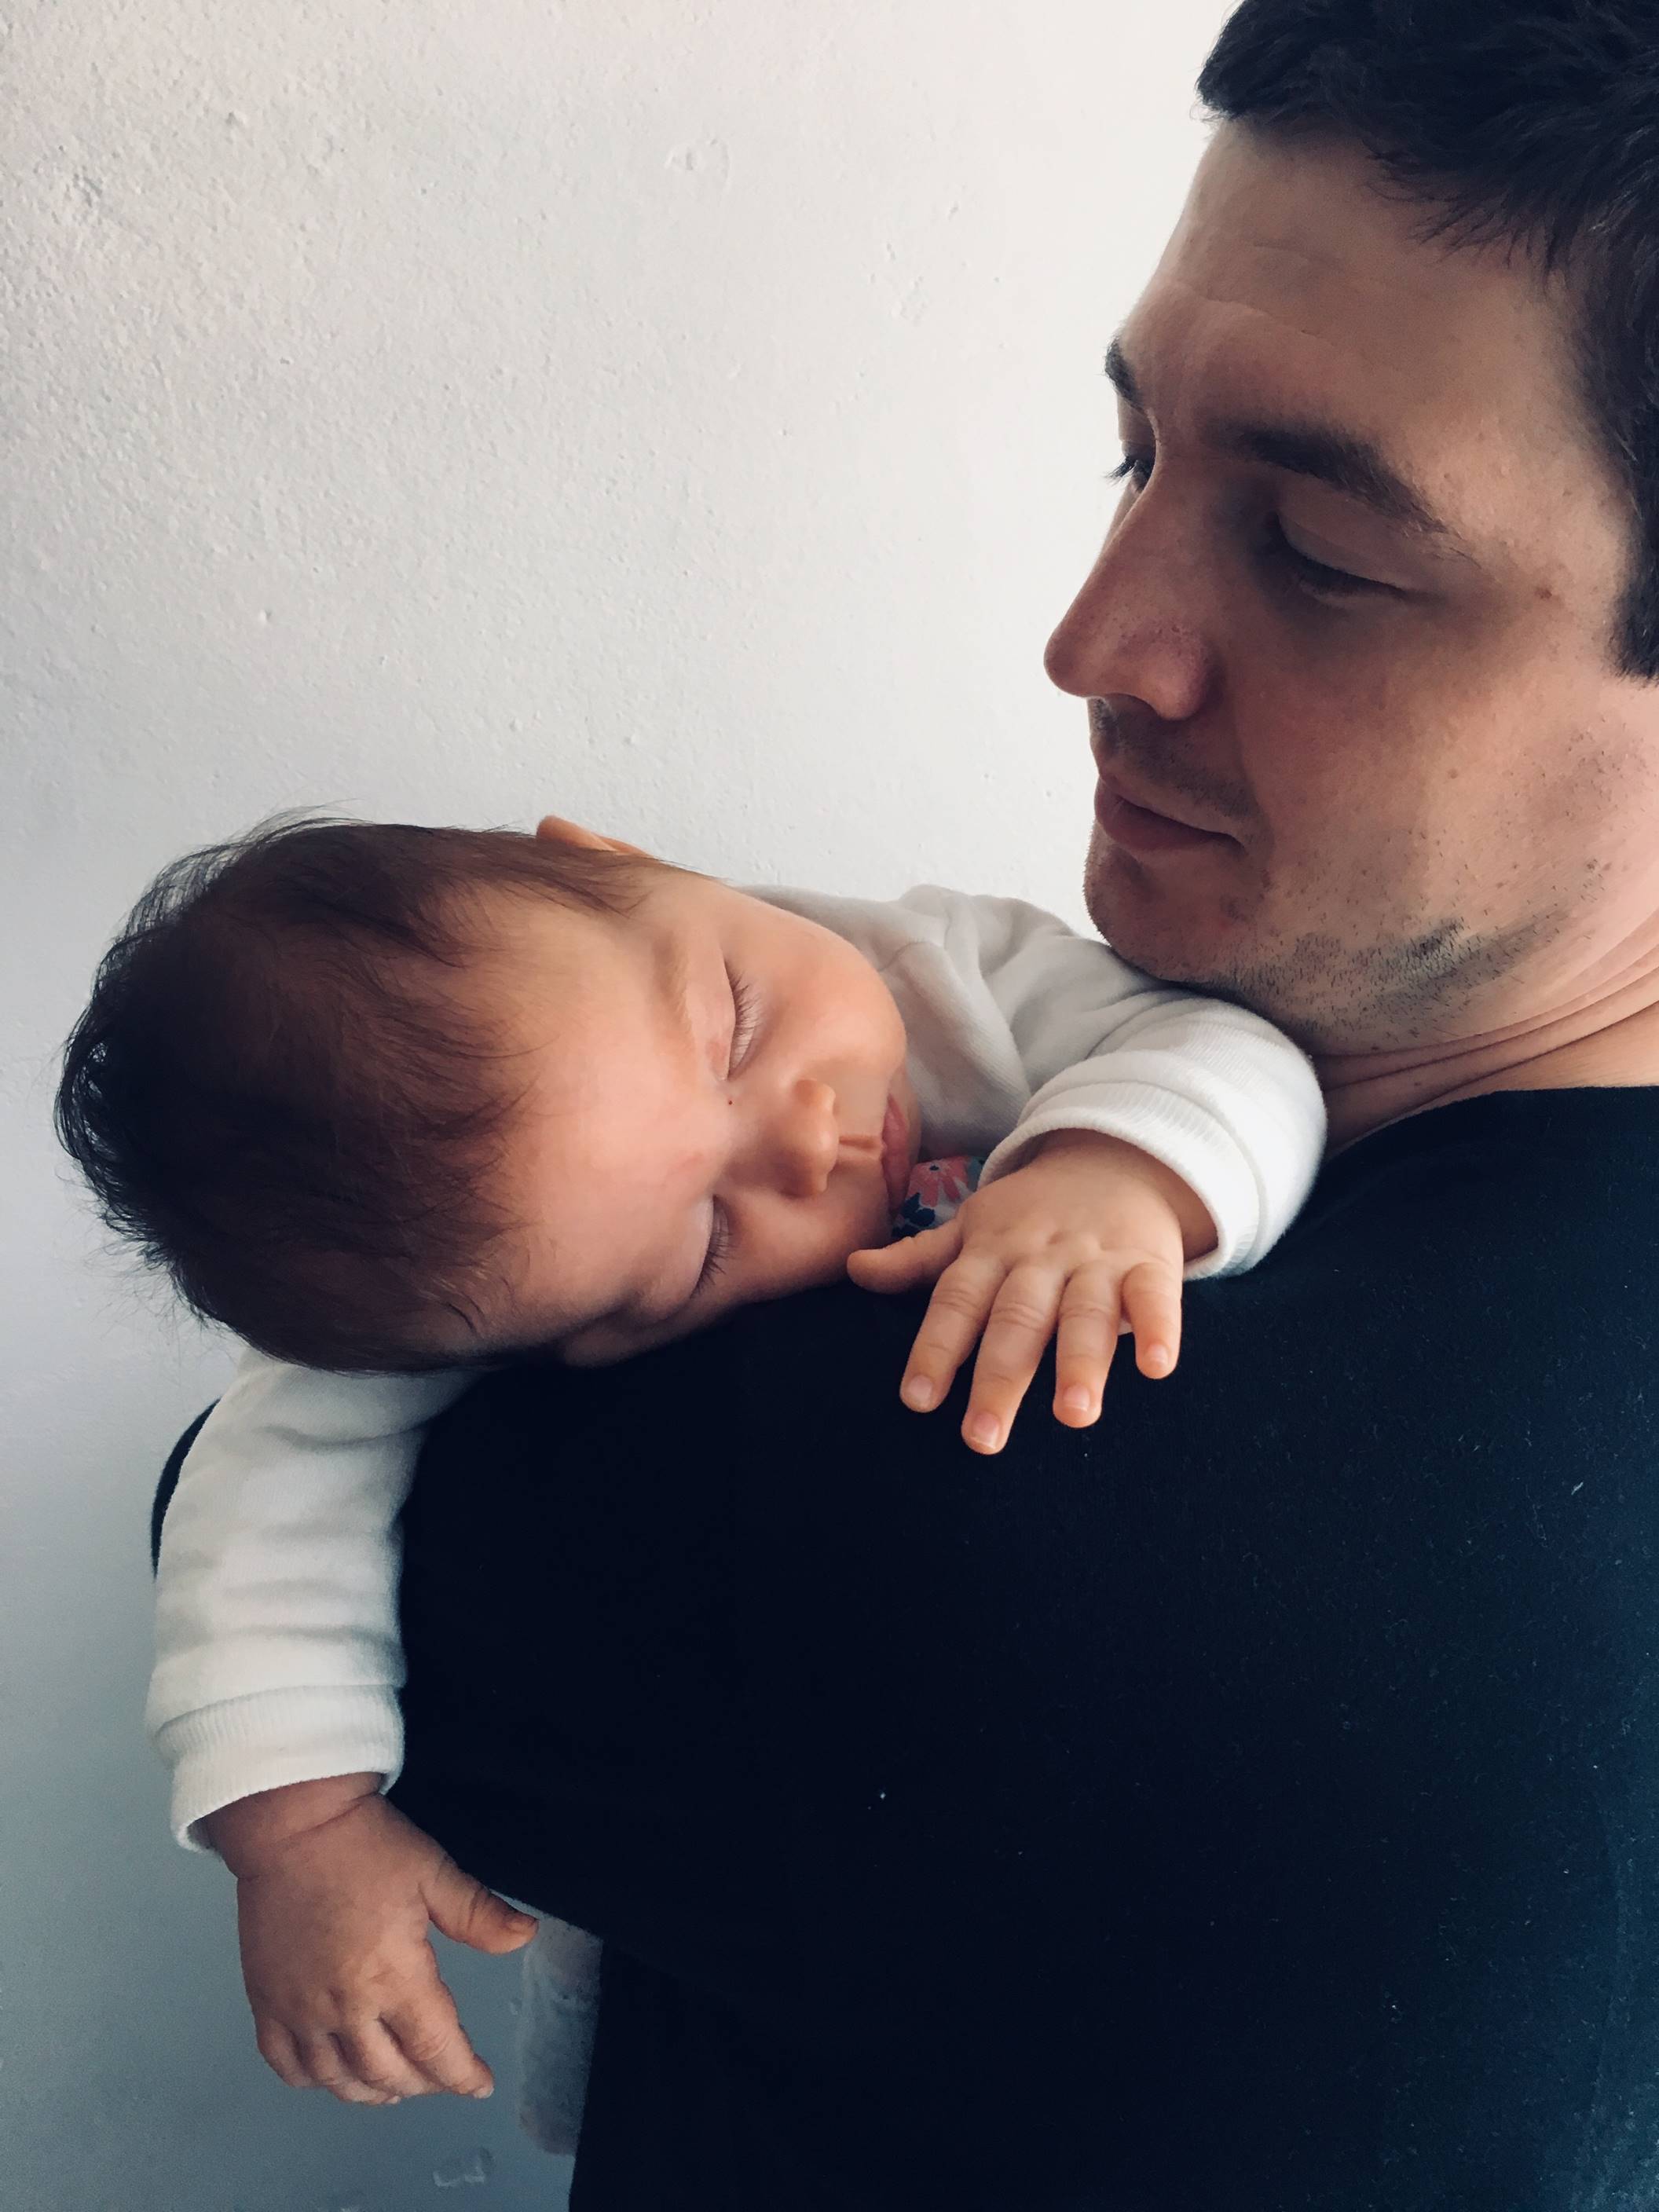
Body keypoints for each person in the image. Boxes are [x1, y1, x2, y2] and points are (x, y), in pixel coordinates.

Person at [162, 0, 1659, 2200]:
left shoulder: (988, 1493)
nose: (1092, 642)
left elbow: (294, 1408)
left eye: (1322, 554)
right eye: (1134, 456)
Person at [59, 811, 1321, 2119]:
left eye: (738, 1029)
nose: (811, 1142)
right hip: (760, 1869)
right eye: (706, 1242)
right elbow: (263, 1486)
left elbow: (1230, 1051)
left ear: (623, 861)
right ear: (574, 1339)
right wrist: (297, 1828)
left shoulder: (950, 974)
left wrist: (1114, 1171)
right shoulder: (489, 1260)